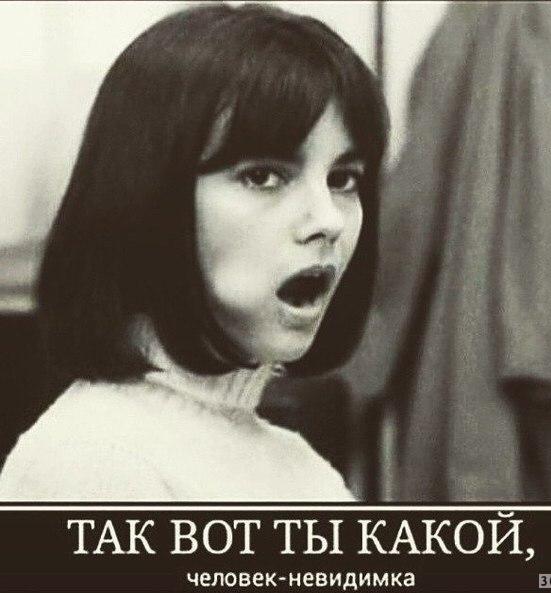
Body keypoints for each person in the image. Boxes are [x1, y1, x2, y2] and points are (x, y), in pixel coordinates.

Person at [0, 3, 388, 500]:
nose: (329, 220)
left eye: (343, 179)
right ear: (151, 198)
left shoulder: (303, 469)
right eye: (263, 176)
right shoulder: (87, 464)